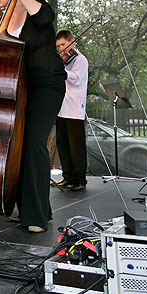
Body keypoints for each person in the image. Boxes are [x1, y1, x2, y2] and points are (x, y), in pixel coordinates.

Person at [0, 0, 66, 233]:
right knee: (17, 145)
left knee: (33, 143)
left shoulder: (37, 7)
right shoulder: (5, 20)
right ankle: (37, 207)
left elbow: (45, 19)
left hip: (47, 83)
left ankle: (35, 218)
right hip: (20, 87)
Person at [54, 30, 89, 191]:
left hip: (75, 108)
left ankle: (79, 180)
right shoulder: (65, 61)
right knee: (63, 145)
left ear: (72, 41)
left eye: (63, 44)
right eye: (58, 46)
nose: (61, 48)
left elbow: (75, 79)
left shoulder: (80, 60)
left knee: (76, 146)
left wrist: (61, 70)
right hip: (62, 107)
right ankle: (67, 177)